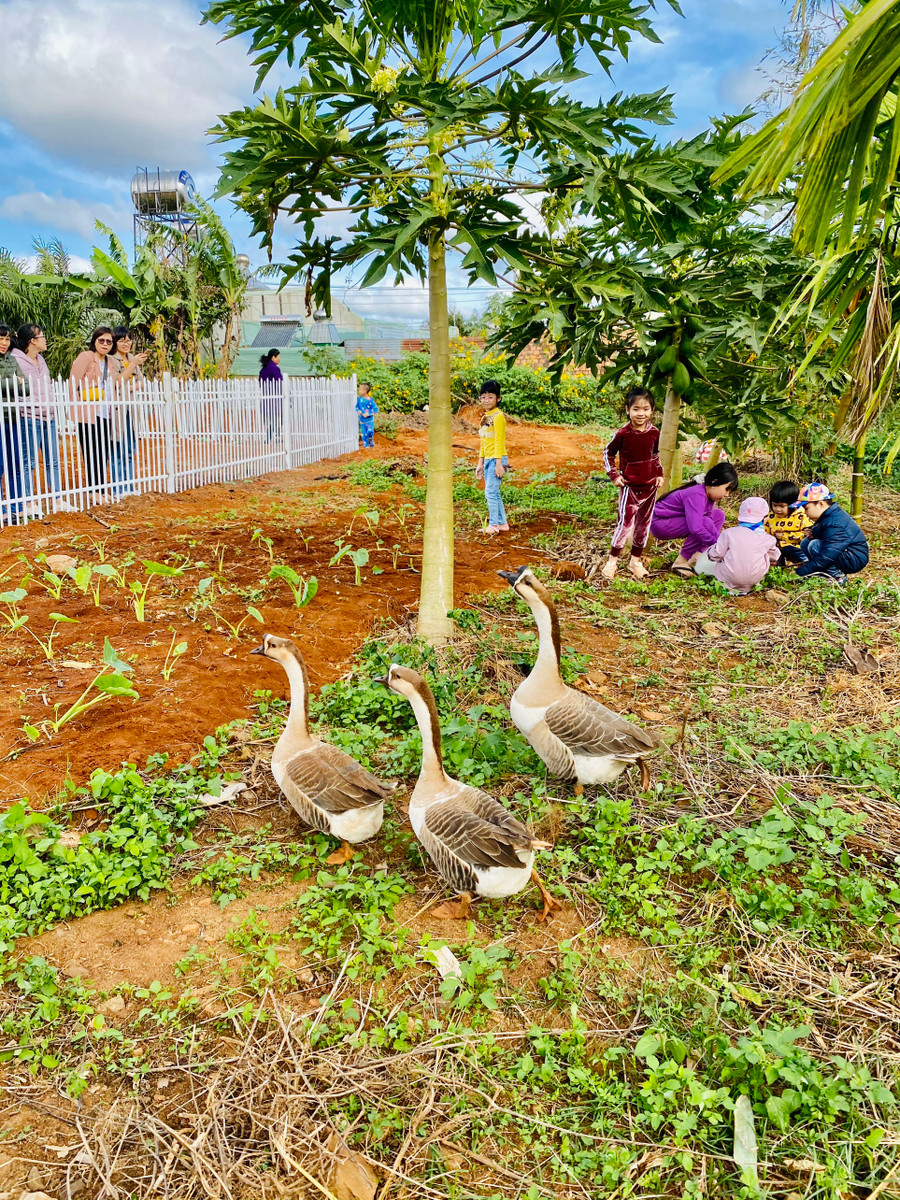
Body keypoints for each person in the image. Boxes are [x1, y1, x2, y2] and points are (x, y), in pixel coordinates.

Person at [600, 387, 663, 580]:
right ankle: (612, 562)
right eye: (636, 409)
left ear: (652, 410)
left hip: (650, 487)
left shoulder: (654, 432)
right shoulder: (623, 434)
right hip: (630, 487)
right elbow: (607, 453)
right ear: (628, 410)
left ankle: (635, 561)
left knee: (643, 525)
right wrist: (614, 475)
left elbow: (655, 455)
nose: (641, 413)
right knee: (625, 524)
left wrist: (659, 473)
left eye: (645, 409)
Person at [11, 324, 75, 514]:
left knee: (53, 460)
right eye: (42, 336)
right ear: (32, 341)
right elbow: (17, 390)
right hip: (29, 417)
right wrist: (32, 405)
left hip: (49, 416)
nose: (45, 340)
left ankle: (57, 499)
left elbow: (46, 386)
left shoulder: (41, 359)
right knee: (29, 461)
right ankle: (29, 502)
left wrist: (50, 407)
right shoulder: (16, 360)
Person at [649, 462, 740, 576]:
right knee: (703, 523)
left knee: (718, 515)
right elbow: (696, 529)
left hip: (673, 521)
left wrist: (719, 543)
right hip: (659, 524)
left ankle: (696, 556)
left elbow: (710, 521)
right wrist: (720, 545)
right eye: (727, 489)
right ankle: (680, 562)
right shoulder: (696, 494)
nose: (727, 494)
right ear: (714, 482)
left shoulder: (708, 496)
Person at [69, 328, 120, 496]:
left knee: (103, 451)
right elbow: (73, 382)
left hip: (105, 412)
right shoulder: (86, 357)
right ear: (94, 341)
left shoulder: (110, 361)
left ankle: (100, 488)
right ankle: (93, 491)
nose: (105, 344)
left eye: (109, 342)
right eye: (101, 340)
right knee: (91, 451)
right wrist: (78, 402)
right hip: (88, 412)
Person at [783, 482, 869, 584]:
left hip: (854, 558)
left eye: (806, 508)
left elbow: (827, 555)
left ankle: (837, 577)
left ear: (821, 503)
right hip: (845, 553)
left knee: (814, 545)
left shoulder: (835, 524)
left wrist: (800, 572)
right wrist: (813, 532)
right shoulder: (829, 516)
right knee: (806, 543)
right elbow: (826, 533)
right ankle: (822, 573)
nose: (805, 513)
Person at [694, 496, 780, 594]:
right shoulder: (768, 539)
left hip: (728, 580)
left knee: (720, 559)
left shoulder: (729, 533)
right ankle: (751, 587)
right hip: (754, 581)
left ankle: (727, 588)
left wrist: (709, 552)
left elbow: (716, 554)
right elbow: (775, 556)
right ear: (764, 518)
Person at [110, 327, 148, 496]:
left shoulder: (131, 358)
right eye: (122, 341)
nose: (126, 344)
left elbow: (141, 382)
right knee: (118, 448)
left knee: (131, 448)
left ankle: (129, 486)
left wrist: (128, 386)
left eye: (128, 340)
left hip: (131, 408)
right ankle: (119, 487)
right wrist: (132, 366)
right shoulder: (112, 359)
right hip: (117, 409)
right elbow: (117, 384)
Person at [0, 324, 30, 524]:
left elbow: (27, 387)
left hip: (12, 417)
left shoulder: (11, 359)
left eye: (7, 339)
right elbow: (9, 384)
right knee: (0, 465)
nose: (4, 343)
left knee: (15, 464)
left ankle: (17, 506)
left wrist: (17, 383)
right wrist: (14, 382)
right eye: (1, 339)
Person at [475, 379, 509, 533]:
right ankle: (502, 524)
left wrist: (498, 464)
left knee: (490, 492)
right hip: (488, 459)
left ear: (498, 398)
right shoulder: (485, 417)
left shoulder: (498, 417)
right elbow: (483, 441)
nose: (486, 400)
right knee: (493, 492)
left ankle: (493, 525)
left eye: (490, 397)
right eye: (483, 397)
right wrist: (480, 463)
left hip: (497, 458)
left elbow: (499, 440)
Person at [764, 479, 811, 565]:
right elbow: (765, 534)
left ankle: (808, 565)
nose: (778, 509)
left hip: (796, 548)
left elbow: (806, 534)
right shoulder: (770, 517)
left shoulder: (801, 516)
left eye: (782, 506)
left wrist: (785, 536)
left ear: (792, 504)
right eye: (775, 505)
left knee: (789, 549)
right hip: (777, 549)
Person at [258, 348, 283, 444]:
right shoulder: (275, 369)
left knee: (271, 420)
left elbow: (261, 383)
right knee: (278, 419)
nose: (280, 359)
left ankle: (271, 437)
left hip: (266, 398)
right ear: (273, 357)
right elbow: (279, 383)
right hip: (275, 399)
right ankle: (272, 437)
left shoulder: (263, 370)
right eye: (279, 357)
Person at [356, 380, 378, 449]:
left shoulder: (370, 400)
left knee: (370, 431)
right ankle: (366, 445)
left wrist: (368, 414)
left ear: (365, 391)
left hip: (369, 420)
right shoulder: (359, 399)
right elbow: (357, 407)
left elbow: (375, 409)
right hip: (362, 420)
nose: (359, 391)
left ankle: (371, 439)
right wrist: (358, 411)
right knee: (364, 433)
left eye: (360, 390)